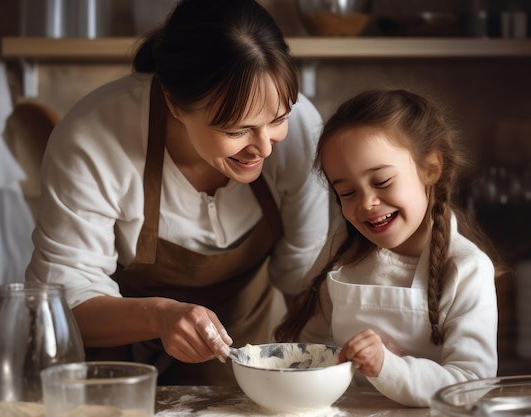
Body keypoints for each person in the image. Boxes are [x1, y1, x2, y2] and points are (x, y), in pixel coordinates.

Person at [25, 0, 329, 386]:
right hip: (115, 364)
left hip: (241, 355)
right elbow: (62, 298)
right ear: (174, 103)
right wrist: (160, 316)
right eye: (237, 130)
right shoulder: (93, 137)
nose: (265, 148)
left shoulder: (302, 132)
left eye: (278, 120)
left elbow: (305, 280)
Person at [275, 89, 505, 407]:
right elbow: (310, 345)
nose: (367, 203)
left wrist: (388, 367)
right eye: (347, 192)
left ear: (431, 169)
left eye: (382, 181)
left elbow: (470, 385)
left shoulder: (467, 269)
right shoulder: (340, 251)